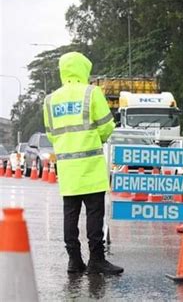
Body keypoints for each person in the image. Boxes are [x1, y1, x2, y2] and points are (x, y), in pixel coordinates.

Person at [43, 52, 123, 275]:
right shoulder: (91, 92)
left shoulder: (50, 99)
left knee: (70, 214)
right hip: (90, 166)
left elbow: (51, 134)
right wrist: (95, 138)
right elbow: (107, 126)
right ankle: (97, 260)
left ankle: (74, 261)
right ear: (83, 69)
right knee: (94, 214)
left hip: (68, 168)